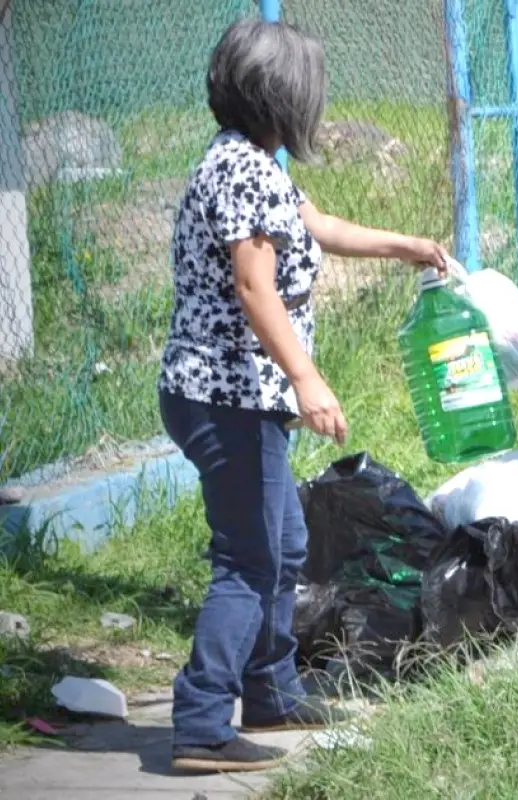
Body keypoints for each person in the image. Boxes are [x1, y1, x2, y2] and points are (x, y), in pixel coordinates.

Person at [159, 18, 449, 773]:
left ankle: (272, 690)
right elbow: (256, 289)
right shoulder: (241, 173)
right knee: (250, 560)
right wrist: (308, 379)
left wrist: (407, 245)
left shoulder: (256, 164)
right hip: (229, 396)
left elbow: (318, 226)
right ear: (280, 96)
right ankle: (199, 723)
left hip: (236, 396)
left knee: (283, 545)